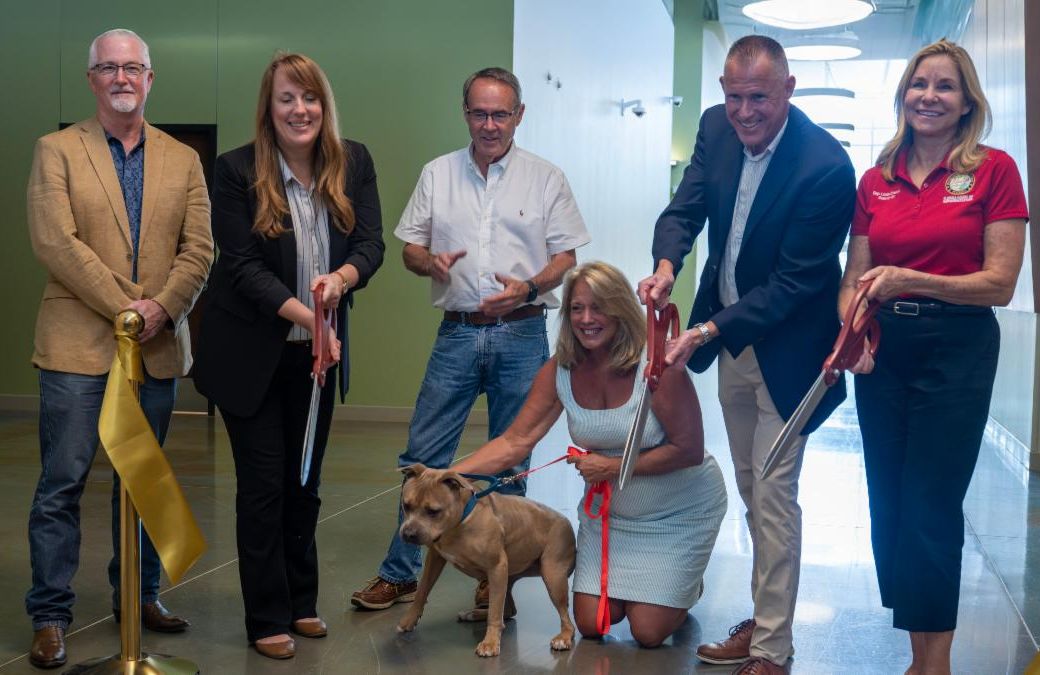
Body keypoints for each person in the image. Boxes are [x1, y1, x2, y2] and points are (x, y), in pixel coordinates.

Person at [639, 35, 856, 674]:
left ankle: (771, 650)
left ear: (788, 90)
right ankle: (765, 621)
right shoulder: (715, 127)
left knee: (772, 494)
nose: (743, 111)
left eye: (757, 97)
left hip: (793, 354)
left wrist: (705, 331)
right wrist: (664, 265)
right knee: (749, 484)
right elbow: (687, 207)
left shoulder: (824, 166)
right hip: (735, 346)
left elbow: (795, 284)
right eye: (733, 96)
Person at [351, 66, 590, 610]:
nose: (489, 124)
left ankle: (492, 577)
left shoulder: (545, 177)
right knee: (422, 454)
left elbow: (567, 258)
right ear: (465, 114)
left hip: (523, 332)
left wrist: (528, 286)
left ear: (519, 115)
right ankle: (399, 572)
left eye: (500, 113)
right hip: (457, 333)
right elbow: (410, 248)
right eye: (479, 113)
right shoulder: (438, 174)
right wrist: (427, 261)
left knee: (510, 462)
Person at [24, 28, 213, 669]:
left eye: (133, 67)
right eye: (109, 68)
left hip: (157, 348)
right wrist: (130, 308)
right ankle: (50, 615)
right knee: (62, 484)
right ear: (92, 79)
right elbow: (56, 242)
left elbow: (200, 250)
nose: (122, 78)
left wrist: (161, 309)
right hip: (77, 348)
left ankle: (140, 598)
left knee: (143, 482)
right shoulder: (57, 151)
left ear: (151, 78)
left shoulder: (183, 159)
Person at [840, 39, 1027, 675]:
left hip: (958, 349)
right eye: (919, 84)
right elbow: (854, 279)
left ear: (967, 101)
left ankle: (933, 664)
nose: (929, 96)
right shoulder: (878, 177)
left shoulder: (995, 170)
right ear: (903, 96)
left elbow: (1000, 283)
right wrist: (853, 325)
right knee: (887, 502)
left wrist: (910, 281)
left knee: (930, 503)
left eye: (945, 86)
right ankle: (919, 653)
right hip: (885, 354)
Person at [192, 52, 384, 659]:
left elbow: (372, 243)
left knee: (305, 481)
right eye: (286, 99)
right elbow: (242, 267)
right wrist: (311, 316)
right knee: (266, 484)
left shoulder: (353, 161)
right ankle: (267, 616)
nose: (299, 110)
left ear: (324, 105)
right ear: (268, 109)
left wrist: (343, 280)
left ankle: (302, 603)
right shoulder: (235, 170)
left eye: (310, 98)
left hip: (316, 360)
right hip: (250, 355)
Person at [453, 261, 727, 646]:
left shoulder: (657, 366)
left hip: (679, 510)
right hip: (612, 515)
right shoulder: (559, 370)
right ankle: (662, 588)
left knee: (647, 632)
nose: (586, 319)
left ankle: (685, 583)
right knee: (592, 623)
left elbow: (690, 450)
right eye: (577, 308)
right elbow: (515, 441)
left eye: (598, 308)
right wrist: (444, 476)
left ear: (620, 311)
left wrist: (611, 467)